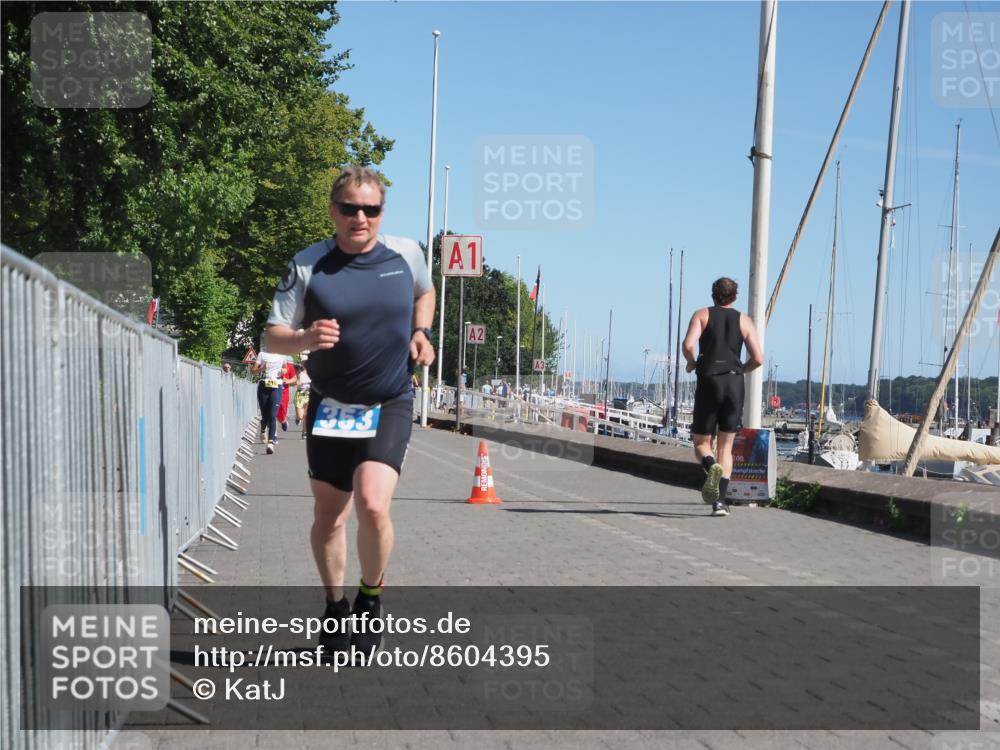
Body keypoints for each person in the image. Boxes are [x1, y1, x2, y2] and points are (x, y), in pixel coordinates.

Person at [263, 166, 435, 660]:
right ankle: (335, 607)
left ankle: (370, 598)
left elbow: (425, 292)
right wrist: (302, 339)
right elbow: (272, 332)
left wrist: (422, 333)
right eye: (350, 208)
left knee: (374, 504)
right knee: (330, 517)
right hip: (331, 405)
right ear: (333, 210)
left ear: (382, 212)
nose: (360, 217)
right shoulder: (308, 265)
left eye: (371, 209)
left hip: (390, 399)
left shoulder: (405, 255)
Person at [681, 277, 763, 517]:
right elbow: (758, 358)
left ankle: (710, 466)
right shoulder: (744, 321)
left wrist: (692, 362)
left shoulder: (702, 315)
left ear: (712, 294)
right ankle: (721, 504)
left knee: (701, 443)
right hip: (734, 383)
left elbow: (688, 344)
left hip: (709, 380)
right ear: (735, 297)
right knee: (725, 447)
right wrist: (740, 370)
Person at [251, 347, 292, 455]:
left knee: (273, 415)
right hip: (264, 386)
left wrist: (284, 370)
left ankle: (271, 443)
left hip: (276, 386)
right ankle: (263, 428)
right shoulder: (262, 354)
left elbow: (285, 368)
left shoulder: (282, 355)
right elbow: (252, 371)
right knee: (265, 416)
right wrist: (262, 368)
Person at [275, 358, 298, 435]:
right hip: (272, 391)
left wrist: (287, 381)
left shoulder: (289, 366)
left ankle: (283, 420)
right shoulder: (272, 364)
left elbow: (294, 378)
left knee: (282, 410)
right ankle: (273, 436)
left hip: (284, 392)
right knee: (273, 412)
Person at [294, 353, 312, 437]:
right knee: (300, 416)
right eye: (303, 362)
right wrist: (298, 383)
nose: (305, 364)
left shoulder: (313, 372)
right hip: (300, 395)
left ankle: (304, 432)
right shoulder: (298, 371)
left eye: (306, 362)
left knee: (306, 415)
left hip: (308, 395)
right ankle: (297, 418)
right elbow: (296, 382)